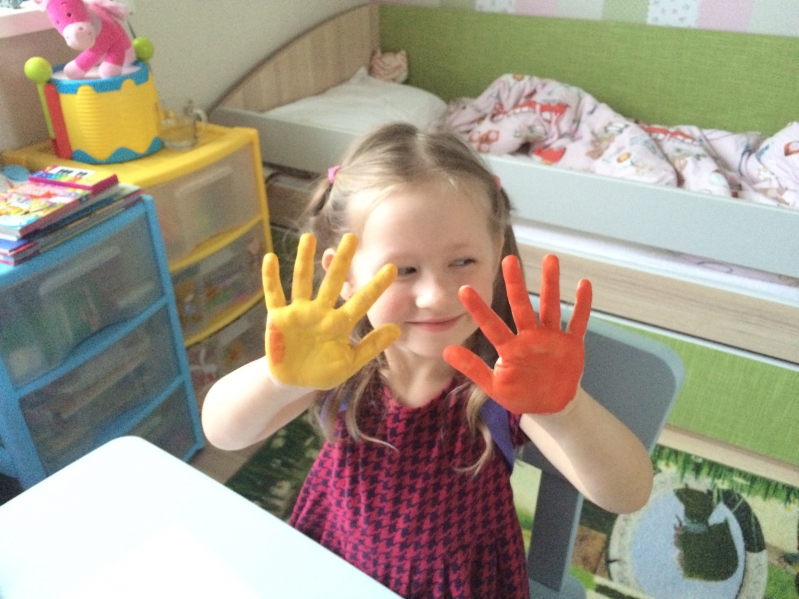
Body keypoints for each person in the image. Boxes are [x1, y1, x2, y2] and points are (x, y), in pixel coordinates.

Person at [202, 123, 654, 598]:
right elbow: (224, 433)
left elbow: (628, 493)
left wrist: (564, 409)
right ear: (346, 275)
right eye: (403, 270)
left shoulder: (507, 378)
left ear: (496, 253)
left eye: (462, 262)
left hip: (464, 583)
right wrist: (278, 381)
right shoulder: (336, 361)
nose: (436, 296)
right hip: (339, 557)